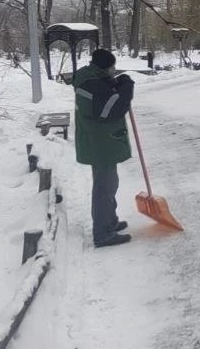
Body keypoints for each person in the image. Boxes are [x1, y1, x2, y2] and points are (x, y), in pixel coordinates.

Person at [72, 49, 136, 248]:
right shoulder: (93, 84)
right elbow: (110, 110)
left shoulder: (92, 79)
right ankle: (102, 234)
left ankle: (110, 221)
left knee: (109, 184)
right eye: (112, 67)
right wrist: (126, 90)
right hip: (99, 143)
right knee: (104, 188)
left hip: (99, 142)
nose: (114, 70)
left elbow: (107, 92)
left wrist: (117, 83)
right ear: (104, 67)